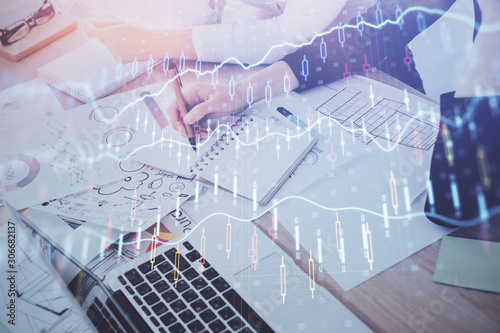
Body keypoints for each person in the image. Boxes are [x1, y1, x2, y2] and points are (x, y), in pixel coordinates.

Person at [86, 0, 371, 65]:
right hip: (279, 68)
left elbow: (286, 33)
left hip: (354, 60)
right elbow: (224, 10)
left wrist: (151, 44)